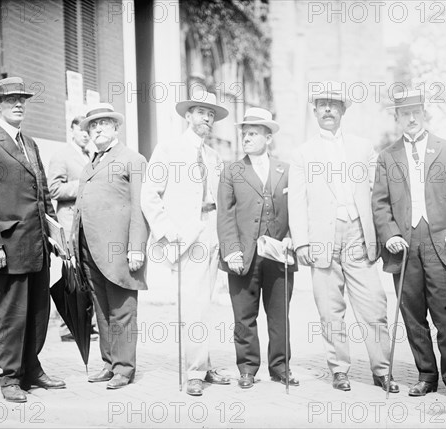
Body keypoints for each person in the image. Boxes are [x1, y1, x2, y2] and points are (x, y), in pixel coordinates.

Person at [372, 88, 446, 403]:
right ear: (397, 118)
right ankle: (426, 376)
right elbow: (379, 203)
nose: (410, 118)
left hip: (443, 244)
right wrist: (390, 233)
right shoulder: (387, 156)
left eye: (415, 112)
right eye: (404, 113)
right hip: (404, 247)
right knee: (412, 313)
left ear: (424, 114)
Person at [288, 81, 398, 393]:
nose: (327, 109)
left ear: (343, 110)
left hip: (358, 236)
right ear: (314, 110)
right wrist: (302, 243)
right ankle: (339, 370)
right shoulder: (302, 154)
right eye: (322, 103)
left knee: (374, 305)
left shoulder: (363, 147)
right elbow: (296, 201)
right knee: (329, 310)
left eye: (333, 104)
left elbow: (379, 192)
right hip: (322, 238)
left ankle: (382, 371)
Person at [0, 77, 65, 403]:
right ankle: (10, 378)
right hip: (7, 249)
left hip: (37, 247)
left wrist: (55, 234)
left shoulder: (31, 144)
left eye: (22, 99)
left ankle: (32, 369)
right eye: (11, 100)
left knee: (38, 311)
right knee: (11, 315)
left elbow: (43, 196)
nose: (19, 104)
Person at [141, 90, 231, 396]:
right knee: (192, 305)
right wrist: (168, 232)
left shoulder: (214, 157)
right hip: (185, 237)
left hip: (212, 234)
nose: (206, 118)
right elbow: (149, 194)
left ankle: (203, 363)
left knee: (205, 305)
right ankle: (194, 371)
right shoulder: (168, 149)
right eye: (201, 112)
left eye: (211, 114)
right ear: (188, 115)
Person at [217, 107, 298, 389]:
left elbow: (298, 210)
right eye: (244, 133)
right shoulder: (231, 171)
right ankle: (248, 368)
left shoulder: (286, 170)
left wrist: (292, 237)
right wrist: (232, 251)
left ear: (268, 137)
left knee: (279, 317)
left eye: (253, 133)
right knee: (244, 316)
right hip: (243, 255)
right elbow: (225, 214)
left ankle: (280, 367)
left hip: (278, 256)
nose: (247, 137)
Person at [69, 103, 149, 389]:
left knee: (122, 310)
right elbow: (80, 208)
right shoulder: (91, 163)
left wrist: (136, 247)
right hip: (89, 249)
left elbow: (142, 207)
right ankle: (109, 363)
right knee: (102, 311)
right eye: (93, 125)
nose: (98, 129)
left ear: (116, 127)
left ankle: (124, 369)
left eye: (104, 123)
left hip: (119, 251)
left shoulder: (133, 159)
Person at [48, 115, 97, 342]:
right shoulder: (62, 155)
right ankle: (67, 327)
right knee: (70, 274)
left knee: (87, 274)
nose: (86, 134)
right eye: (81, 130)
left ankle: (87, 324)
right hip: (69, 224)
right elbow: (54, 190)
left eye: (88, 130)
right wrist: (83, 185)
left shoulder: (91, 155)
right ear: (72, 131)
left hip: (88, 223)